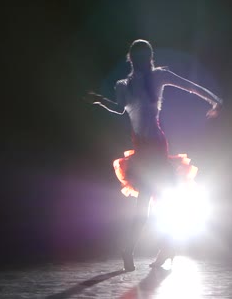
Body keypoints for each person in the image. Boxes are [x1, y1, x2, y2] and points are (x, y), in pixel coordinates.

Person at [87, 39, 222, 271]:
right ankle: (140, 249)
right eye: (138, 57)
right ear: (132, 59)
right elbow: (120, 109)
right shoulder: (124, 85)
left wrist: (215, 100)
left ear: (149, 58)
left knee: (165, 199)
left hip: (157, 146)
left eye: (145, 57)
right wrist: (100, 101)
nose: (142, 61)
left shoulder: (158, 77)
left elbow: (190, 86)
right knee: (149, 204)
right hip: (142, 148)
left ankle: (156, 249)